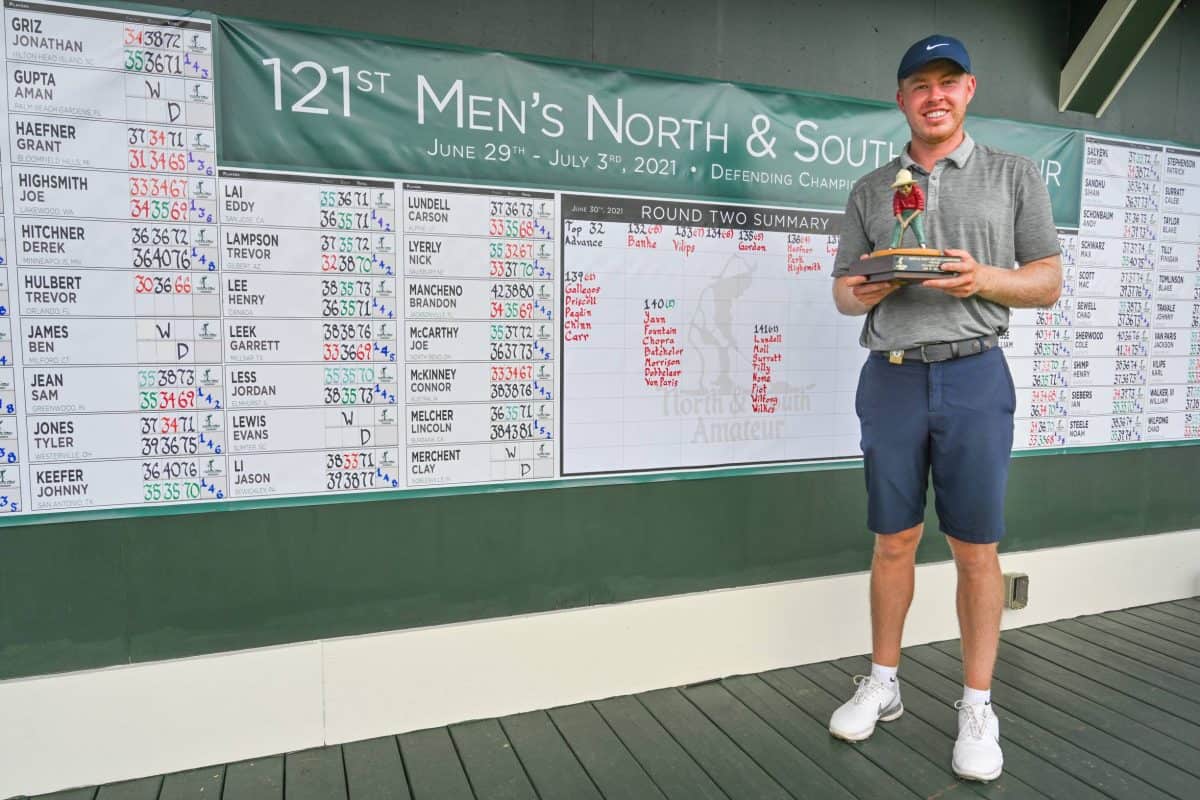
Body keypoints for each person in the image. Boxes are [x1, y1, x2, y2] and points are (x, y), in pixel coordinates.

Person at [827, 33, 1062, 782]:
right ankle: (885, 682)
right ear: (901, 99)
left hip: (974, 376)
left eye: (948, 82)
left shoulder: (1013, 175)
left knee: (975, 551)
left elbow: (1048, 279)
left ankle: (976, 704)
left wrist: (980, 278)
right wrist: (869, 286)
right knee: (893, 541)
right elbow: (841, 292)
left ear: (970, 91)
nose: (934, 94)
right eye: (919, 84)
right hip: (890, 376)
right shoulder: (872, 189)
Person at [890, 168, 928, 249]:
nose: (906, 189)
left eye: (908, 185)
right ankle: (893, 246)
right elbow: (897, 210)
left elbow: (920, 208)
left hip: (915, 214)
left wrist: (907, 220)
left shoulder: (917, 191)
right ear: (897, 187)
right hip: (903, 214)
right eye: (902, 187)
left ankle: (922, 244)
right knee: (898, 230)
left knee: (918, 228)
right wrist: (902, 221)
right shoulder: (897, 195)